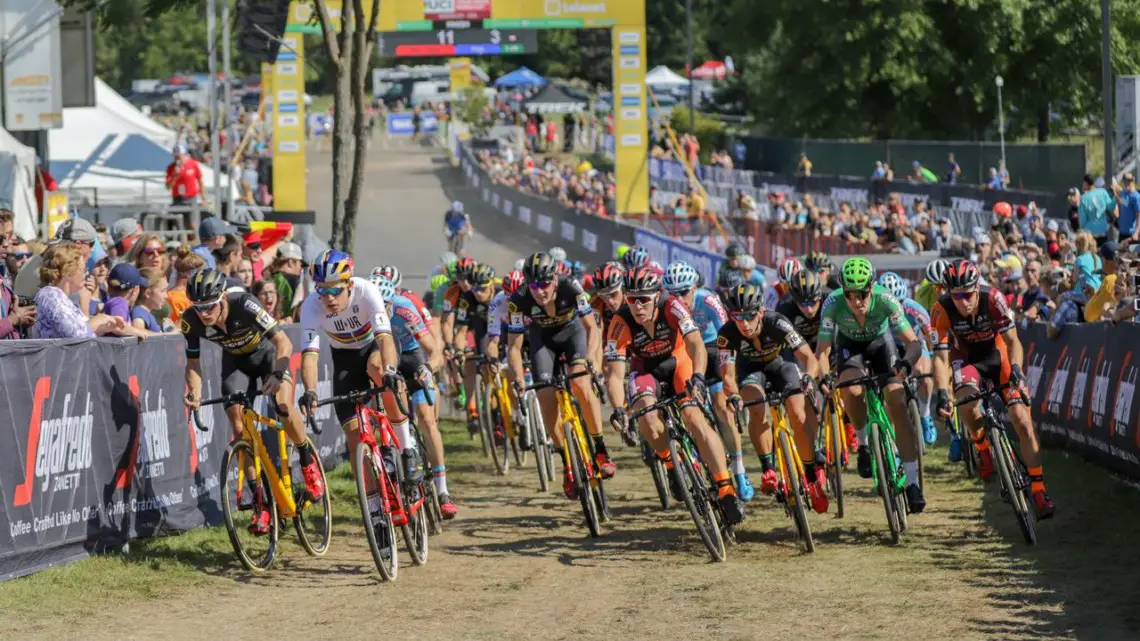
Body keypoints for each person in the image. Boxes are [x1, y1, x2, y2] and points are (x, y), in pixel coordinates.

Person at [181, 268, 323, 535]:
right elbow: (192, 363)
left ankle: (306, 458)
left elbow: (283, 343)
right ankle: (261, 502)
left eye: (210, 306)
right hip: (235, 364)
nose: (204, 313)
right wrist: (195, 391)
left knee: (282, 406)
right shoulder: (190, 320)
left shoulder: (244, 304)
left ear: (222, 297)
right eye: (198, 307)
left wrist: (279, 373)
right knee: (239, 430)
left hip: (269, 357)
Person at [605, 267, 746, 524]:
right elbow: (614, 374)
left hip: (678, 362)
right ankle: (671, 464)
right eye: (631, 298)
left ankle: (726, 489)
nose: (637, 306)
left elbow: (696, 344)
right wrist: (617, 407)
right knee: (646, 419)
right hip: (645, 370)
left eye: (644, 299)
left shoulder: (672, 305)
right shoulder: (620, 321)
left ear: (657, 295)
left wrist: (700, 377)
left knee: (694, 418)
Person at [931, 259, 1054, 518]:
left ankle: (1039, 489)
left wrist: (1018, 372)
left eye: (967, 295)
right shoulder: (941, 310)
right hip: (966, 360)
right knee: (965, 403)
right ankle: (983, 448)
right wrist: (943, 392)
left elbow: (1013, 343)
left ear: (977, 288)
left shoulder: (994, 299)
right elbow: (941, 358)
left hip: (999, 358)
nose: (962, 302)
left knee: (1021, 420)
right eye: (956, 296)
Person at [815, 258, 928, 513]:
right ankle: (865, 444)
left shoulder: (885, 299)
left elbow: (913, 342)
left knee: (897, 402)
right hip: (850, 348)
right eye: (850, 295)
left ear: (872, 288)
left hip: (881, 344)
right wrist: (823, 377)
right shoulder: (832, 303)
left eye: (863, 294)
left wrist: (907, 364)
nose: (857, 301)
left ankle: (912, 482)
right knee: (851, 390)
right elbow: (822, 349)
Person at [506, 252, 615, 499]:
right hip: (542, 341)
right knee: (545, 396)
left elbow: (592, 328)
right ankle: (567, 462)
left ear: (555, 279)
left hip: (573, 334)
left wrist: (594, 361)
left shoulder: (571, 286)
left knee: (579, 383)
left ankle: (600, 448)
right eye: (533, 285)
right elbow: (513, 346)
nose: (539, 291)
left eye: (544, 284)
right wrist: (518, 379)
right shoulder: (518, 300)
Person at [716, 282, 825, 513]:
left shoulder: (777, 322)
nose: (744, 324)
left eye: (749, 316)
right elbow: (727, 375)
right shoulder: (726, 333)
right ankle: (768, 468)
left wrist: (808, 377)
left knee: (797, 412)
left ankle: (810, 475)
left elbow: (808, 358)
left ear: (761, 311)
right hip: (750, 372)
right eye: (737, 316)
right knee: (756, 408)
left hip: (780, 367)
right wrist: (734, 394)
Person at [663, 261, 754, 500]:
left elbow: (727, 332)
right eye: (673, 294)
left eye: (683, 292)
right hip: (684, 354)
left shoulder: (708, 299)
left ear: (694, 288)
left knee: (722, 407)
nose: (679, 299)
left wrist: (729, 372)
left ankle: (739, 469)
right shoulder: (667, 307)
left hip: (714, 348)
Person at [370, 275, 457, 518]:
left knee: (427, 421)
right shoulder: (365, 315)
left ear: (392, 301)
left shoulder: (404, 308)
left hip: (412, 358)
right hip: (387, 364)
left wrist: (427, 369)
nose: (382, 311)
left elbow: (434, 352)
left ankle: (443, 491)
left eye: (386, 305)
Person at [878, 272, 938, 447]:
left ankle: (925, 415)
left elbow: (929, 335)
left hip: (914, 342)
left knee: (924, 376)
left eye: (900, 303)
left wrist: (934, 357)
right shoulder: (876, 310)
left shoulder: (914, 308)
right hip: (890, 346)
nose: (896, 308)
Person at [30, 243, 123, 339]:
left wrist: (106, 326)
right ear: (68, 273)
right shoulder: (50, 294)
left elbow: (82, 332)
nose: (86, 273)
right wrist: (98, 320)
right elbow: (75, 335)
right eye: (83, 269)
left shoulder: (62, 298)